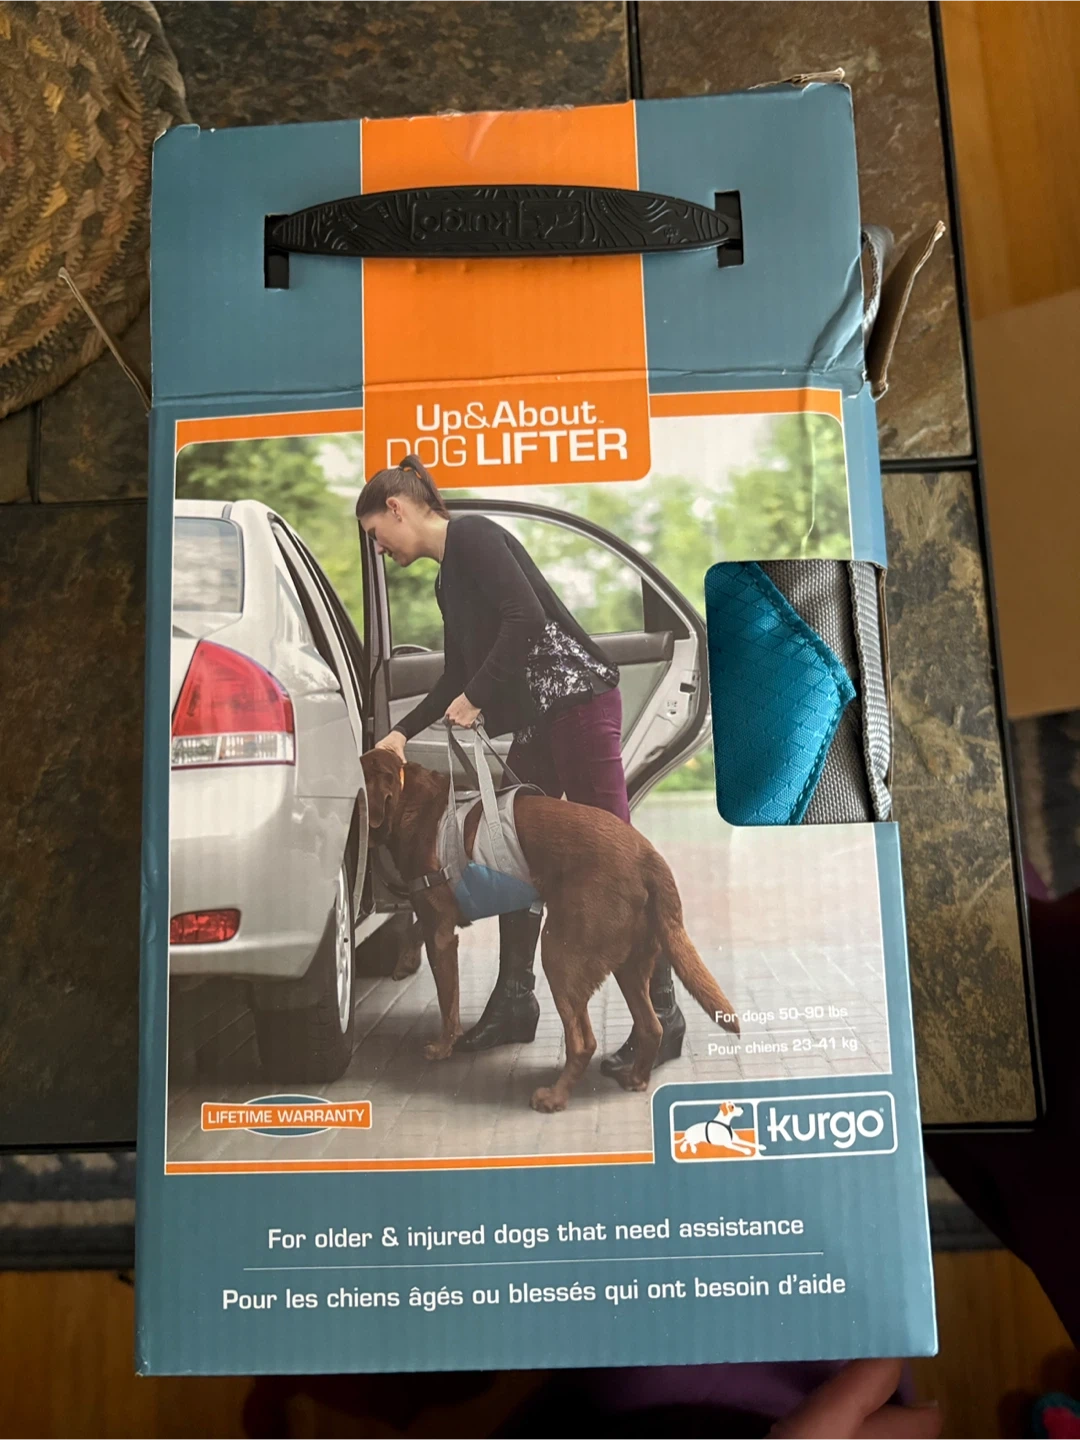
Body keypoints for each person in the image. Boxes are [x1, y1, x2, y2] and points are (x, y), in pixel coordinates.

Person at [356, 454, 686, 1064]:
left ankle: (662, 1015)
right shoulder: (447, 579)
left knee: (614, 856)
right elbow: (455, 672)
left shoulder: (475, 537)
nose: (379, 548)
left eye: (376, 533)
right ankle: (514, 1001)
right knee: (512, 848)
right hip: (540, 718)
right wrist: (400, 735)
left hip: (579, 703)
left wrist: (478, 695)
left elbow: (526, 617)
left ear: (396, 509)